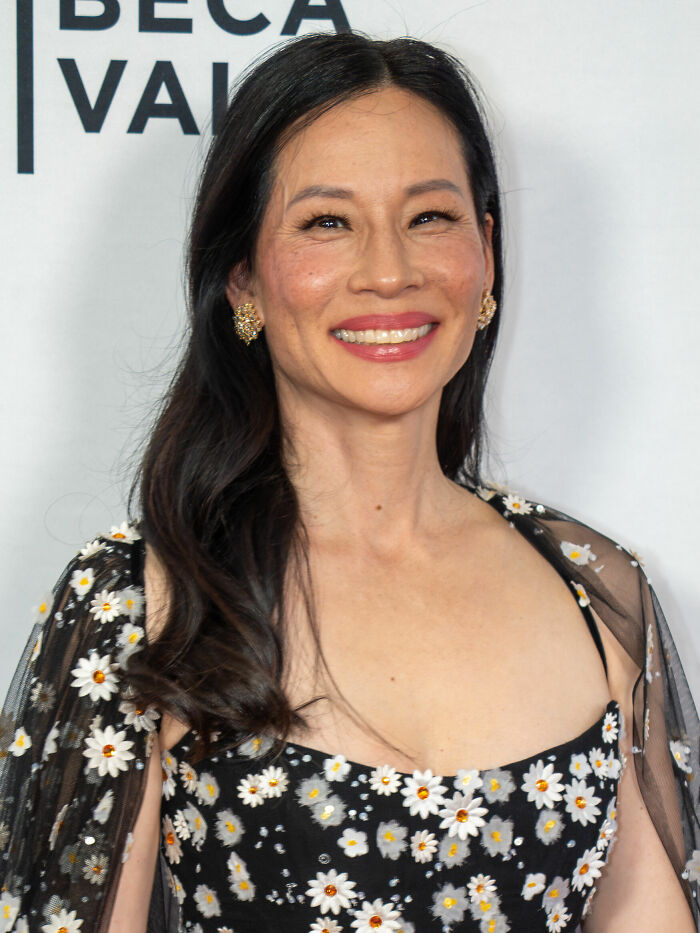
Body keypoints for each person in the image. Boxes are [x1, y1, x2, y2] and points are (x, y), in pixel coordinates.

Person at [0, 31, 698, 933]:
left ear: (485, 255)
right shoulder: (142, 601)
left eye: (431, 217)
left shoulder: (596, 594)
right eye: (327, 222)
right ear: (243, 275)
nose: (389, 271)